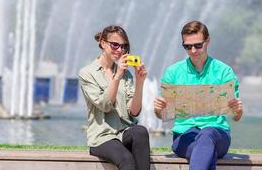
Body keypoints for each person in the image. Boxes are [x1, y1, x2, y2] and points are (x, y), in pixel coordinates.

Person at [154, 21, 243, 170]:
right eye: (187, 47)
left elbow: (236, 116)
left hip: (218, 134)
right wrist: (158, 109)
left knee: (207, 134)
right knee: (206, 151)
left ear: (207, 41)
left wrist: (238, 110)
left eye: (198, 45)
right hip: (184, 136)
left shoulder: (224, 71)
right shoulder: (173, 72)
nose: (193, 50)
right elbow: (163, 115)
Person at [78, 25, 150, 170]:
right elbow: (105, 105)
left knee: (140, 131)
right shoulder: (87, 73)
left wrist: (140, 82)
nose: (119, 50)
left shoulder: (126, 74)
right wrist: (117, 77)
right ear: (103, 43)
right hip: (102, 137)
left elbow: (134, 112)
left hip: (124, 132)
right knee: (126, 160)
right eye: (115, 45)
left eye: (123, 46)